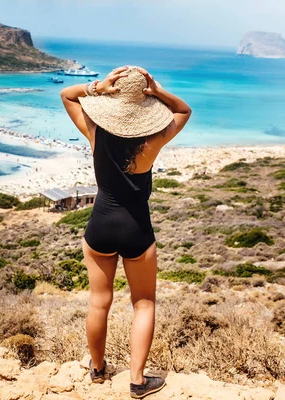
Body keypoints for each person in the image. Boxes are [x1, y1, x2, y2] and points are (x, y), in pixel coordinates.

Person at [60, 66, 191, 399]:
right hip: (136, 228)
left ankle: (98, 369)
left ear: (113, 99)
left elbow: (66, 95)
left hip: (100, 226)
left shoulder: (95, 131)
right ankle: (136, 381)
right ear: (144, 104)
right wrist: (158, 92)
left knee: (98, 303)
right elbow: (183, 110)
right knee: (144, 304)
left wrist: (98, 88)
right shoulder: (154, 139)